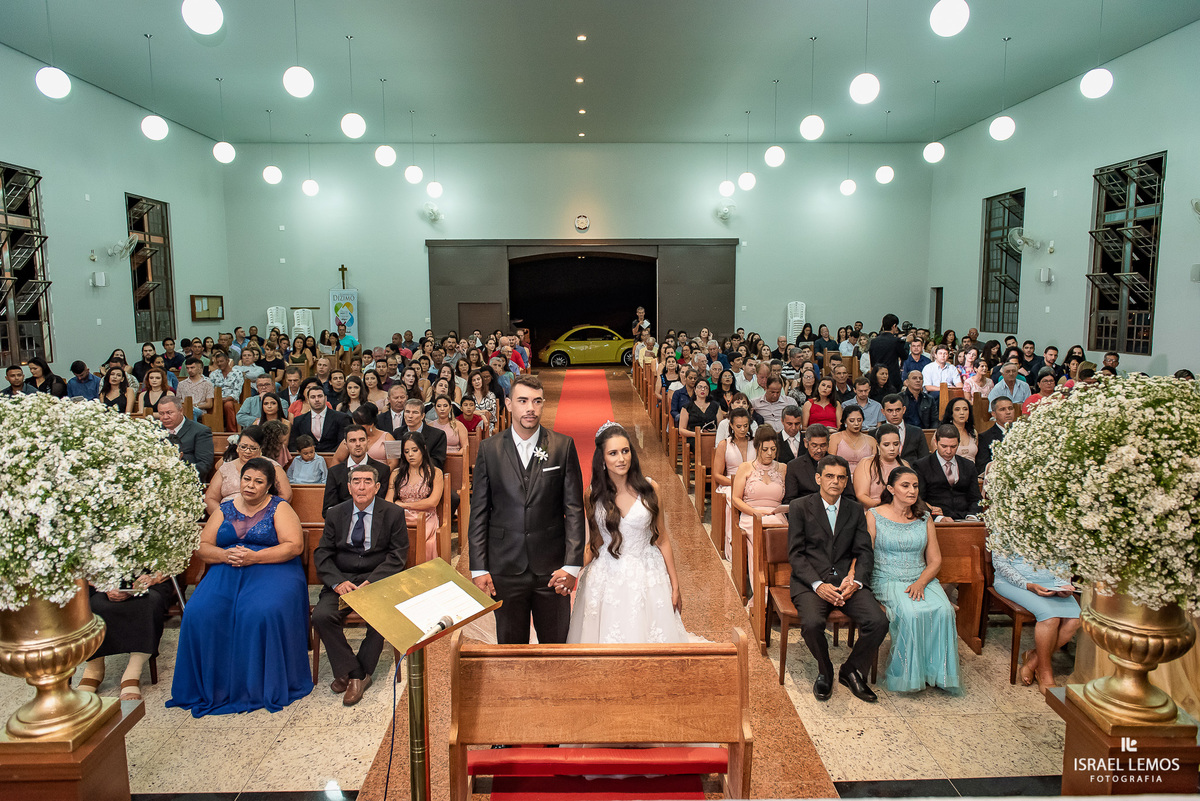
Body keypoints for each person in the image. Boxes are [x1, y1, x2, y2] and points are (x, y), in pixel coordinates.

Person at [168, 458, 313, 716]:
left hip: (272, 567)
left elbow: (294, 546)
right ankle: (213, 686)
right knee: (199, 612)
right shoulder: (225, 508)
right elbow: (203, 546)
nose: (250, 485)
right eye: (247, 479)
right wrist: (224, 555)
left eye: (258, 482)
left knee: (260, 612)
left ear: (268, 486)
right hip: (227, 567)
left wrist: (255, 557)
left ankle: (257, 686)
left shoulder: (279, 508)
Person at [468, 375, 586, 644]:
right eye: (522, 401)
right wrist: (479, 568)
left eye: (536, 401)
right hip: (505, 566)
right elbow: (479, 512)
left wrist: (571, 565)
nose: (530, 408)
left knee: (555, 645)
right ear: (509, 404)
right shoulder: (489, 449)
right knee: (510, 647)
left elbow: (574, 510)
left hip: (552, 568)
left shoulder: (562, 446)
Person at [567, 422, 691, 643]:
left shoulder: (650, 489)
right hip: (607, 576)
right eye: (613, 453)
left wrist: (675, 585)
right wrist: (570, 571)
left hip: (647, 574)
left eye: (625, 451)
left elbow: (662, 539)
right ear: (602, 459)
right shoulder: (592, 495)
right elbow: (595, 543)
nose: (621, 458)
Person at [788, 455, 888, 703]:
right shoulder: (800, 507)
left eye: (841, 477)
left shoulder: (854, 509)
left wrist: (856, 582)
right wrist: (818, 585)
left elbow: (864, 551)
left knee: (878, 621)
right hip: (811, 582)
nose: (836, 481)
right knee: (812, 624)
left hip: (846, 582)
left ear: (846, 482)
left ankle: (851, 670)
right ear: (818, 478)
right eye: (830, 476)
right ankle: (825, 670)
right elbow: (796, 554)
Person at [312, 464, 409, 705]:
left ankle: (353, 675)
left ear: (377, 487)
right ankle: (356, 672)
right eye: (356, 481)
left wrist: (372, 581)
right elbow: (323, 553)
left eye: (367, 481)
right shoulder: (336, 513)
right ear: (349, 487)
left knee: (382, 616)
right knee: (321, 616)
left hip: (376, 578)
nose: (361, 487)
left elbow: (398, 555)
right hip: (343, 577)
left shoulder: (393, 513)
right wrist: (337, 582)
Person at [865, 466, 961, 693]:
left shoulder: (924, 517)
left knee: (944, 610)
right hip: (887, 578)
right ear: (891, 489)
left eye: (915, 486)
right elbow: (867, 553)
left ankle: (936, 672)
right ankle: (910, 674)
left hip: (921, 578)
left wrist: (921, 582)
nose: (912, 491)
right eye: (905, 486)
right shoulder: (874, 515)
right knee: (910, 612)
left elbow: (935, 560)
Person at [990, 548, 1080, 695]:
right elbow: (1000, 563)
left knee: (1075, 619)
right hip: (1014, 583)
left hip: (1051, 582)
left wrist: (1063, 585)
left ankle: (1033, 660)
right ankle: (1045, 673)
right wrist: (1028, 585)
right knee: (1050, 618)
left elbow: (1063, 556)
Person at [78, 570, 177, 702]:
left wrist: (154, 578)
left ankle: (133, 672)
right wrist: (104, 584)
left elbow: (176, 563)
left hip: (150, 580)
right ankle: (94, 670)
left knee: (149, 603)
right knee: (92, 604)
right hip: (104, 581)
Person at [731, 425, 787, 580]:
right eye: (765, 449)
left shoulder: (783, 468)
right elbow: (736, 498)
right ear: (756, 448)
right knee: (760, 537)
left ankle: (780, 581)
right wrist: (755, 513)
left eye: (773, 449)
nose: (770, 453)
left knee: (783, 535)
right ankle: (761, 584)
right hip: (751, 515)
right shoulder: (745, 467)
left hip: (776, 515)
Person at [206, 426, 292, 516]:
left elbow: (286, 495)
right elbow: (210, 499)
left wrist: (265, 515)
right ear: (237, 447)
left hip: (262, 515)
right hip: (227, 516)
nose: (247, 451)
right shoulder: (225, 468)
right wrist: (225, 516)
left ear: (261, 449)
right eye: (243, 447)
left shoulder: (273, 467)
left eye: (253, 448)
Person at [386, 432, 443, 562]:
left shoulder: (435, 472)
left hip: (426, 516)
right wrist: (399, 507)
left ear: (423, 449)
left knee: (426, 543)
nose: (410, 455)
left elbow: (433, 502)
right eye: (406, 451)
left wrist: (404, 505)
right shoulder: (396, 473)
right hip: (401, 517)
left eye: (414, 450)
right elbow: (388, 501)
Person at [913, 425, 982, 521]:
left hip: (965, 519)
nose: (948, 451)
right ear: (936, 442)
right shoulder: (922, 466)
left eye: (953, 446)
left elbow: (976, 498)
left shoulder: (968, 465)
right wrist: (939, 518)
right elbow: (918, 499)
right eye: (944, 446)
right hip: (935, 520)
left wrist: (972, 516)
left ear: (958, 443)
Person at [323, 425, 391, 514]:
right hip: (343, 519)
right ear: (346, 445)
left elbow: (381, 505)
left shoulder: (383, 470)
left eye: (362, 440)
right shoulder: (335, 472)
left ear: (368, 442)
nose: (358, 444)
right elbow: (328, 509)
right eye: (353, 440)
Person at [159, 395, 214, 479]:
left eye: (169, 413)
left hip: (186, 479)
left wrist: (179, 474)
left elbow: (204, 465)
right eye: (161, 414)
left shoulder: (200, 431)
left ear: (181, 411)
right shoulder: (155, 431)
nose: (165, 417)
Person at [854, 423, 907, 508]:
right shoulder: (867, 463)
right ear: (878, 446)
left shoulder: (905, 465)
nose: (892, 448)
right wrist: (884, 508)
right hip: (872, 510)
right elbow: (861, 495)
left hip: (901, 510)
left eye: (896, 444)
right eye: (886, 445)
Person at [289, 382, 351, 453]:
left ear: (325, 398)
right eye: (313, 397)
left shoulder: (341, 418)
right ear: (308, 400)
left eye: (320, 396)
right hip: (307, 458)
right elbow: (293, 444)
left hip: (334, 456)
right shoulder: (298, 420)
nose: (317, 400)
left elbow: (343, 442)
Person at [878, 394, 931, 464]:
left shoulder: (917, 432)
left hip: (912, 469)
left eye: (898, 410)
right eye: (890, 411)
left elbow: (924, 459)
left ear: (904, 410)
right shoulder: (874, 433)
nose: (894, 414)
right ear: (883, 412)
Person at [829, 405, 878, 476]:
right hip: (841, 476)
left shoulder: (871, 440)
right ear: (845, 422)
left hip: (866, 476)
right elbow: (830, 462)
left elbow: (876, 464)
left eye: (859, 420)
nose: (856, 424)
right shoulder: (835, 438)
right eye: (852, 420)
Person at [976, 397, 1015, 474]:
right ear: (994, 414)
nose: (1008, 412)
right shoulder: (985, 437)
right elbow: (983, 467)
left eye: (1010, 408)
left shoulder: (1022, 432)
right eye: (1002, 409)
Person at [869, 314, 906, 392]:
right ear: (894, 326)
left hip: (877, 376)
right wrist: (906, 343)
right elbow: (904, 356)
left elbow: (872, 362)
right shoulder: (896, 341)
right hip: (892, 377)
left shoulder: (874, 341)